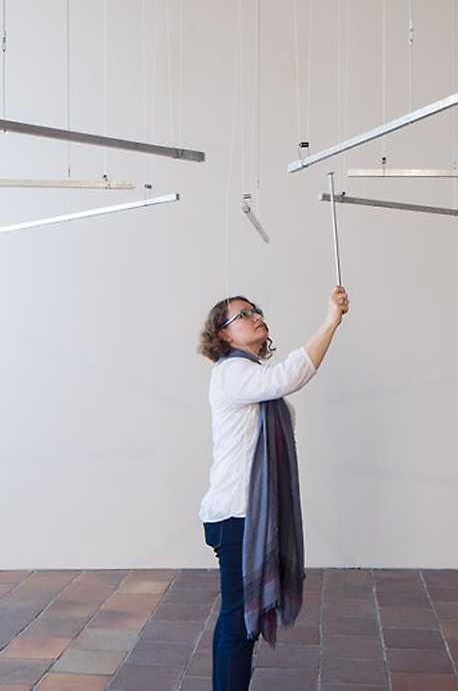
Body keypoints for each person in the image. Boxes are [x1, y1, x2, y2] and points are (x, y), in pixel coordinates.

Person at [196, 286, 350, 691]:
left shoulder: (252, 377)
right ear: (223, 334)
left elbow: (277, 384)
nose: (256, 317)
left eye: (256, 310)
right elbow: (291, 375)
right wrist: (330, 322)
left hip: (248, 513)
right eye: (243, 315)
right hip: (236, 515)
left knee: (238, 619)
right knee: (238, 621)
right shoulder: (232, 372)